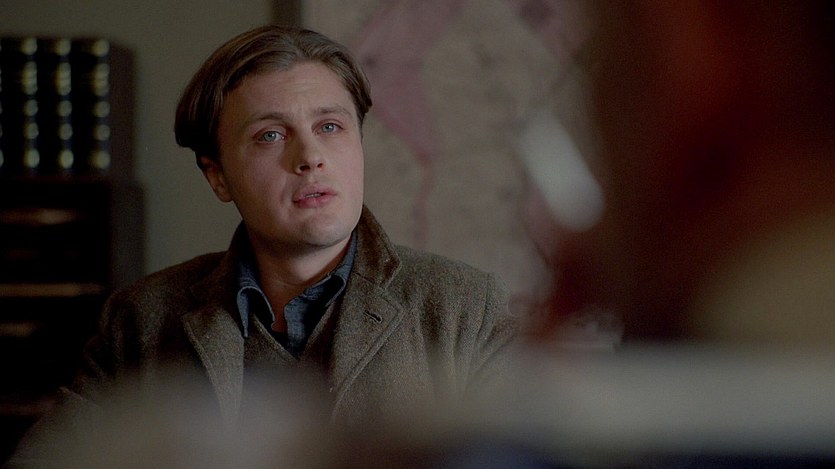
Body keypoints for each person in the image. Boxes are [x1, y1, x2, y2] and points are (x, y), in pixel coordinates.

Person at [5, 25, 517, 467]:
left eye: (330, 126)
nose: (310, 156)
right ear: (218, 176)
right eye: (271, 135)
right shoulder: (141, 320)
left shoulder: (463, 309)